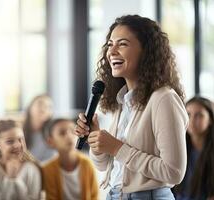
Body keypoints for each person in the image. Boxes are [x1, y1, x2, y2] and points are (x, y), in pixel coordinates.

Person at [74, 15, 188, 199]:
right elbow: (104, 165)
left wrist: (117, 148)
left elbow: (174, 172)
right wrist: (97, 143)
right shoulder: (122, 101)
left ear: (146, 51)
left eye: (123, 44)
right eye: (110, 44)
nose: (112, 51)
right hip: (115, 195)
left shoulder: (163, 99)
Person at [0, 119, 42, 200]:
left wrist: (15, 179)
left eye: (20, 139)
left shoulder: (32, 168)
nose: (17, 145)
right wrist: (10, 179)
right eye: (10, 141)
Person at [43, 118, 99, 200]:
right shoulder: (47, 170)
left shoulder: (87, 164)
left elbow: (94, 196)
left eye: (73, 131)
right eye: (62, 133)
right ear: (50, 141)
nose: (69, 136)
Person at [173, 96, 214, 200]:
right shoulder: (178, 146)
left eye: (199, 115)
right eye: (188, 114)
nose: (191, 120)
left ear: (210, 120)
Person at [23, 94, 56, 163]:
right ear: (29, 108)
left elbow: (50, 162)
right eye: (40, 104)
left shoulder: (52, 135)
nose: (44, 109)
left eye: (48, 107)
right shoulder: (18, 132)